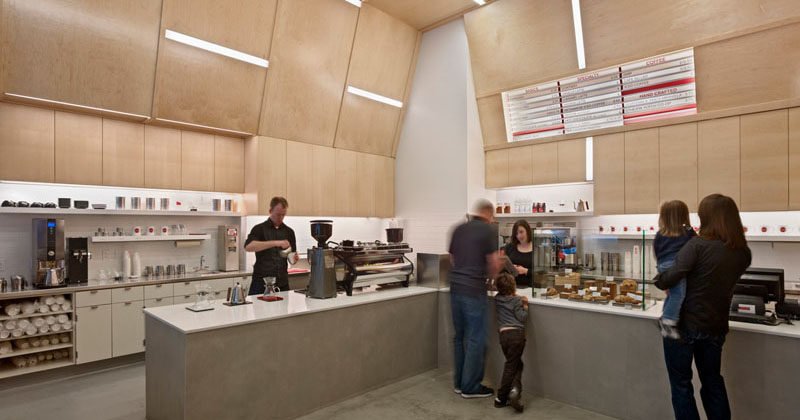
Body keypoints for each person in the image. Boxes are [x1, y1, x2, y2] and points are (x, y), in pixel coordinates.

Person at [654, 194, 751, 420]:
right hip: (715, 325)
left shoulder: (696, 246)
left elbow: (670, 278)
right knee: (712, 382)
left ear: (707, 217)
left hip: (683, 326)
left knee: (681, 386)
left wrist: (660, 280)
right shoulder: (742, 253)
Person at [448, 199, 500, 399]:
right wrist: (492, 280)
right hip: (474, 291)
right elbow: (493, 263)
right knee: (476, 338)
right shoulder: (488, 231)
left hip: (455, 289)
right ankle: (471, 387)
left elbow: (452, 259)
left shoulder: (459, 228)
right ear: (489, 214)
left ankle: (459, 384)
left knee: (459, 337)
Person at [653, 200, 696, 339]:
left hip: (663, 264)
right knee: (678, 295)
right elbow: (697, 245)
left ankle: (665, 316)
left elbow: (656, 251)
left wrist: (661, 270)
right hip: (676, 265)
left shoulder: (660, 234)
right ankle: (668, 321)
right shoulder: (688, 232)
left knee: (672, 294)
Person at [244, 197, 299, 294]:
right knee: (258, 309)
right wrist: (276, 243)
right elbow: (248, 246)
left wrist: (294, 258)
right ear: (270, 211)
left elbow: (292, 259)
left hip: (282, 283)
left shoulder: (289, 232)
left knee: (283, 309)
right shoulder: (259, 229)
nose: (281, 218)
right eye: (278, 214)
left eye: (283, 215)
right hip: (261, 283)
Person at [493, 273, 527, 412]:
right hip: (516, 336)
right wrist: (525, 304)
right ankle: (501, 397)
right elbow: (522, 317)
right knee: (511, 367)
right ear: (514, 286)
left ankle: (515, 391)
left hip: (504, 336)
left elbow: (505, 296)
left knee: (516, 364)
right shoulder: (516, 302)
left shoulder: (498, 299)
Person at [502, 220, 533, 287]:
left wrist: (526, 271)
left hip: (531, 288)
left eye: (521, 232)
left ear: (527, 231)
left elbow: (543, 273)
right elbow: (501, 268)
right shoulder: (509, 247)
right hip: (512, 288)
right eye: (516, 233)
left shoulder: (537, 248)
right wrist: (510, 268)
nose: (519, 236)